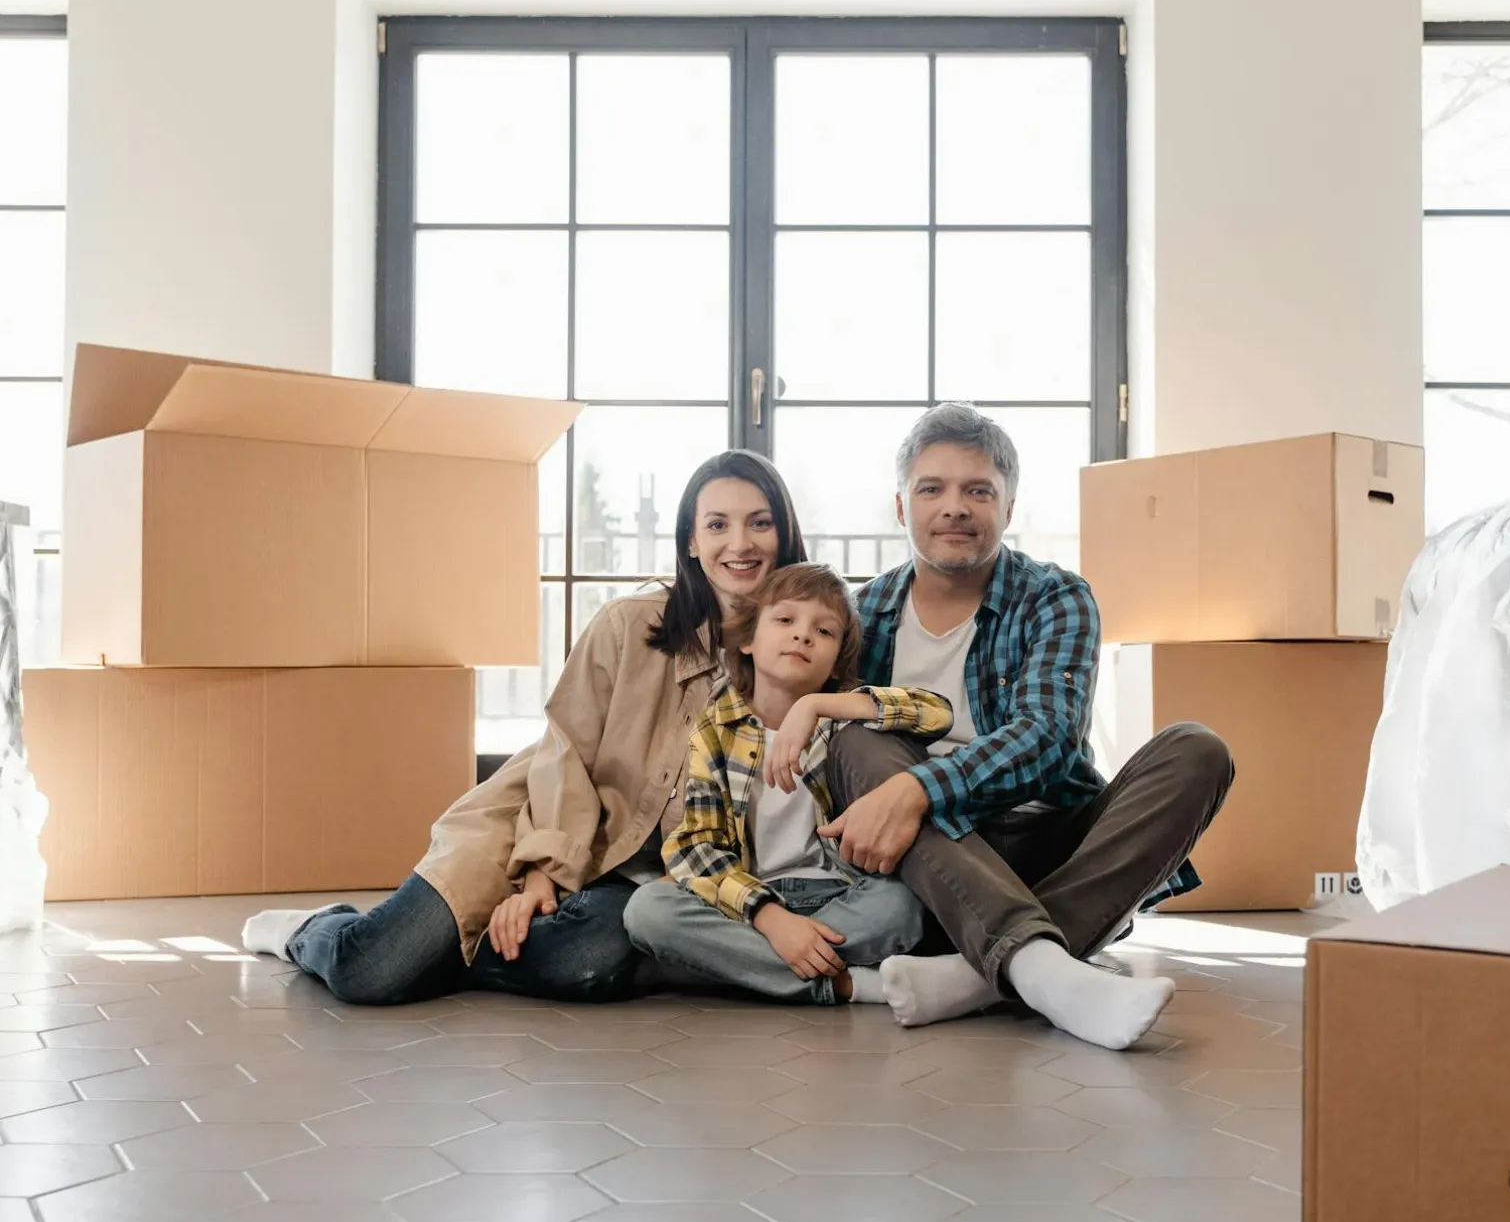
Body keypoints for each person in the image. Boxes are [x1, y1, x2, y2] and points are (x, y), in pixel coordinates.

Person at [239, 451, 806, 1005]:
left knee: (587, 963)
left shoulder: (803, 647)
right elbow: (567, 753)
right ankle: (313, 930)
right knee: (370, 971)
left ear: (783, 533)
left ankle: (445, 955)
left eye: (760, 523)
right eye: (717, 524)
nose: (740, 543)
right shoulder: (629, 625)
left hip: (635, 883)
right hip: (532, 826)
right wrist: (542, 877)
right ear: (690, 541)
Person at [822, 404, 1237, 1050]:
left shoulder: (1055, 596)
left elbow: (1048, 739)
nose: (954, 506)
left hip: (1045, 836)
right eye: (932, 488)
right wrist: (905, 795)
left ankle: (980, 974)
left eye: (978, 490)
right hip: (931, 857)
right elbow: (837, 761)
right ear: (902, 508)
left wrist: (920, 789)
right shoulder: (859, 614)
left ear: (1008, 509)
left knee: (1198, 750)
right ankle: (1044, 969)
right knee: (854, 736)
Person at [623, 564, 950, 1007]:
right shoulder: (715, 730)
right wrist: (772, 919)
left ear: (837, 660)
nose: (803, 636)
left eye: (824, 631)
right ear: (747, 640)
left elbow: (936, 713)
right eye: (785, 620)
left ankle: (743, 968)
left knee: (902, 905)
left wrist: (817, 705)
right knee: (649, 910)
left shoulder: (842, 721)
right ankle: (847, 984)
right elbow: (695, 845)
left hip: (841, 893)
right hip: (751, 900)